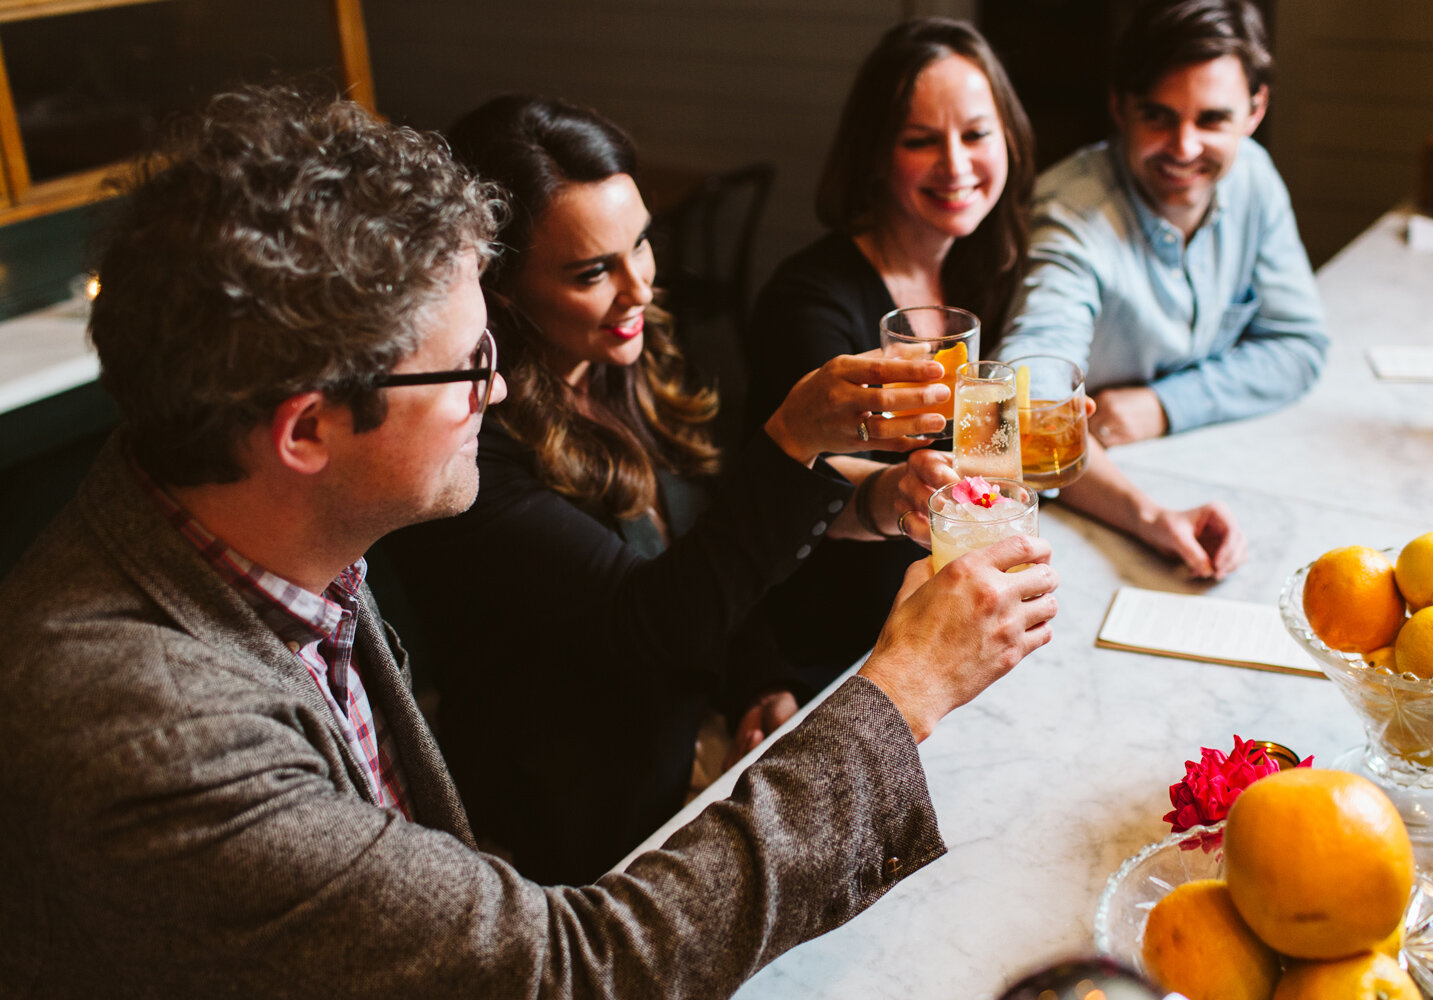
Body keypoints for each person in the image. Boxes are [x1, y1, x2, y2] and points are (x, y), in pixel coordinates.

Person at [0, 85, 1060, 996]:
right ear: (307, 428)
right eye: (468, 367)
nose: (501, 386)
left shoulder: (260, 524)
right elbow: (573, 971)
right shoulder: (152, 734)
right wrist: (905, 688)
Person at [382, 94, 953, 885]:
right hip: (582, 820)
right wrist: (791, 438)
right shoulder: (474, 446)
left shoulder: (623, 358)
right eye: (592, 271)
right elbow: (652, 621)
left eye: (641, 245)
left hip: (694, 751)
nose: (638, 289)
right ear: (498, 288)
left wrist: (758, 677)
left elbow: (709, 538)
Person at [746, 17, 1038, 680]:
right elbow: (803, 475)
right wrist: (897, 491)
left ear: (1009, 140)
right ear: (876, 155)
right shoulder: (808, 297)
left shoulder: (992, 267)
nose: (957, 165)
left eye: (975, 134)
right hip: (844, 646)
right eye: (920, 141)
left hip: (971, 613)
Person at [999, 0, 1325, 575]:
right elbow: (1026, 391)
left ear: (1255, 109)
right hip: (1084, 505)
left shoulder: (1255, 177)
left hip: (1204, 463)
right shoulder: (1071, 217)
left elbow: (1298, 346)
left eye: (1212, 119)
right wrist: (1148, 513)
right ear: (1120, 106)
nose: (1183, 146)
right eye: (1158, 116)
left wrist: (1162, 407)